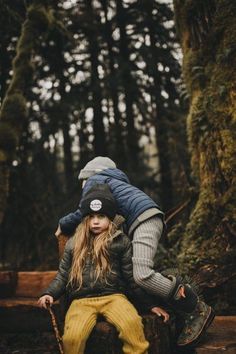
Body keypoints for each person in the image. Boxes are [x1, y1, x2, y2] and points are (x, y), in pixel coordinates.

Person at [55, 156, 214, 347]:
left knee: (142, 275)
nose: (84, 188)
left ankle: (195, 307)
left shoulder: (96, 181)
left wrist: (63, 224)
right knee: (138, 270)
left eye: (83, 182)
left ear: (90, 176)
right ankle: (167, 301)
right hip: (146, 219)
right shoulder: (114, 183)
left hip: (144, 221)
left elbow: (84, 210)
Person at [39, 184, 169, 354]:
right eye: (91, 216)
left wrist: (150, 305)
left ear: (110, 218)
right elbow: (63, 275)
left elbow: (131, 278)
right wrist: (49, 293)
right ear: (85, 219)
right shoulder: (74, 243)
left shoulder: (120, 242)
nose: (95, 221)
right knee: (72, 338)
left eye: (101, 216)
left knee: (132, 325)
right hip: (81, 301)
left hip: (114, 298)